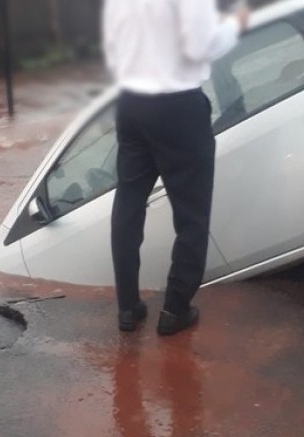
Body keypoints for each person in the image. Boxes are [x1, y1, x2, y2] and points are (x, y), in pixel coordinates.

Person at [103, 0, 250, 335]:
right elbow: (201, 45)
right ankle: (175, 309)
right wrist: (235, 25)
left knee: (128, 202)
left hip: (130, 103)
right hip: (177, 107)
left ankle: (128, 307)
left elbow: (113, 46)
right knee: (191, 213)